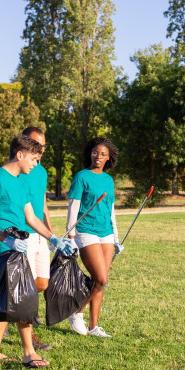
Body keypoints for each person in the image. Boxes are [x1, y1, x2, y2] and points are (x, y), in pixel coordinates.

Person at [0, 135, 74, 368]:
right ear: (19, 155)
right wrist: (7, 241)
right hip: (2, 246)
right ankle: (29, 352)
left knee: (8, 297)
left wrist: (53, 237)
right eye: (33, 158)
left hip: (19, 243)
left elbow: (31, 217)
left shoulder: (22, 180)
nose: (36, 163)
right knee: (24, 295)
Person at [66, 138, 123, 338]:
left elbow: (111, 210)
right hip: (85, 231)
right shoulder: (81, 177)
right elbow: (73, 207)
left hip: (105, 232)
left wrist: (116, 237)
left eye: (102, 154)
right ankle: (77, 312)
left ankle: (93, 326)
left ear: (109, 158)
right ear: (90, 154)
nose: (98, 156)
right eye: (95, 152)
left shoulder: (108, 180)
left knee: (100, 281)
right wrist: (71, 237)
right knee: (101, 277)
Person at [16, 126, 54, 352]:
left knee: (42, 283)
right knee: (26, 289)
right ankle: (30, 336)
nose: (39, 150)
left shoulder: (41, 171)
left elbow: (43, 203)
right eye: (35, 144)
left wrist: (50, 232)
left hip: (40, 233)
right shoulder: (17, 169)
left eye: (42, 146)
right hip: (22, 233)